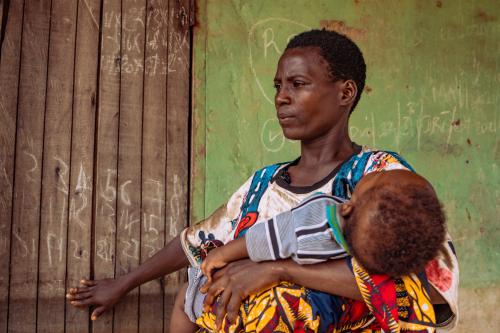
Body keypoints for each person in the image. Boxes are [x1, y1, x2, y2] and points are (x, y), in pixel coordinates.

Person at [67, 29, 458, 332]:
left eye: (298, 84)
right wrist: (127, 281)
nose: (282, 98)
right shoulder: (263, 185)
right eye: (278, 86)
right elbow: (200, 242)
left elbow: (420, 286)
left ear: (346, 92)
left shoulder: (381, 178)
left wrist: (280, 270)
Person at [171, 169, 447, 332]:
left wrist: (228, 254)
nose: (377, 171)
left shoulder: (323, 219)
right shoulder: (381, 254)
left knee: (187, 294)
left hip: (234, 306)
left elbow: (268, 237)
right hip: (307, 315)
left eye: (381, 176)